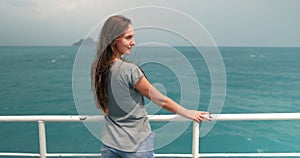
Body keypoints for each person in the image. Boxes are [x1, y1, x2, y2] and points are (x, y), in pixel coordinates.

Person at [91, 15, 210, 158]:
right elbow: (160, 100)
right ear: (114, 40)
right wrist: (188, 112)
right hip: (136, 146)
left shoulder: (97, 68)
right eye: (128, 38)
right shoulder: (129, 70)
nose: (133, 42)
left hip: (109, 146)